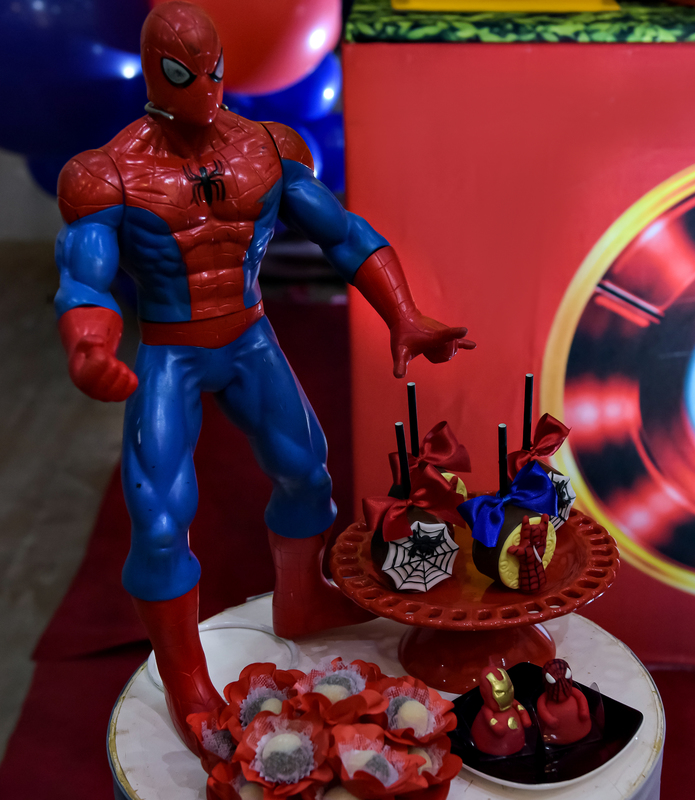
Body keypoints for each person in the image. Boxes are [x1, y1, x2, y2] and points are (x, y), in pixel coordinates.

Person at [51, 1, 473, 757]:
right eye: (183, 73)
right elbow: (86, 278)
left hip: (248, 335)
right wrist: (89, 346)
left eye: (212, 71)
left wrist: (403, 312)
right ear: (153, 71)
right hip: (172, 349)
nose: (204, 89)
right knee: (158, 521)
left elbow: (342, 233)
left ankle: (302, 599)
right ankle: (188, 684)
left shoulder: (266, 148)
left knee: (306, 473)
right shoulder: (108, 173)